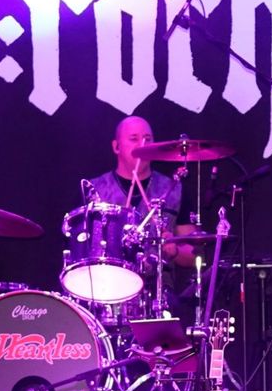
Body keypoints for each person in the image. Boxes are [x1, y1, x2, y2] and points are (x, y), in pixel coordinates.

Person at [76, 116, 201, 312]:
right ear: (116, 147)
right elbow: (82, 252)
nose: (142, 145)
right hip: (106, 293)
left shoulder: (174, 189)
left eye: (148, 139)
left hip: (159, 296)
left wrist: (174, 250)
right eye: (134, 139)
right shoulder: (95, 190)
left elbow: (194, 255)